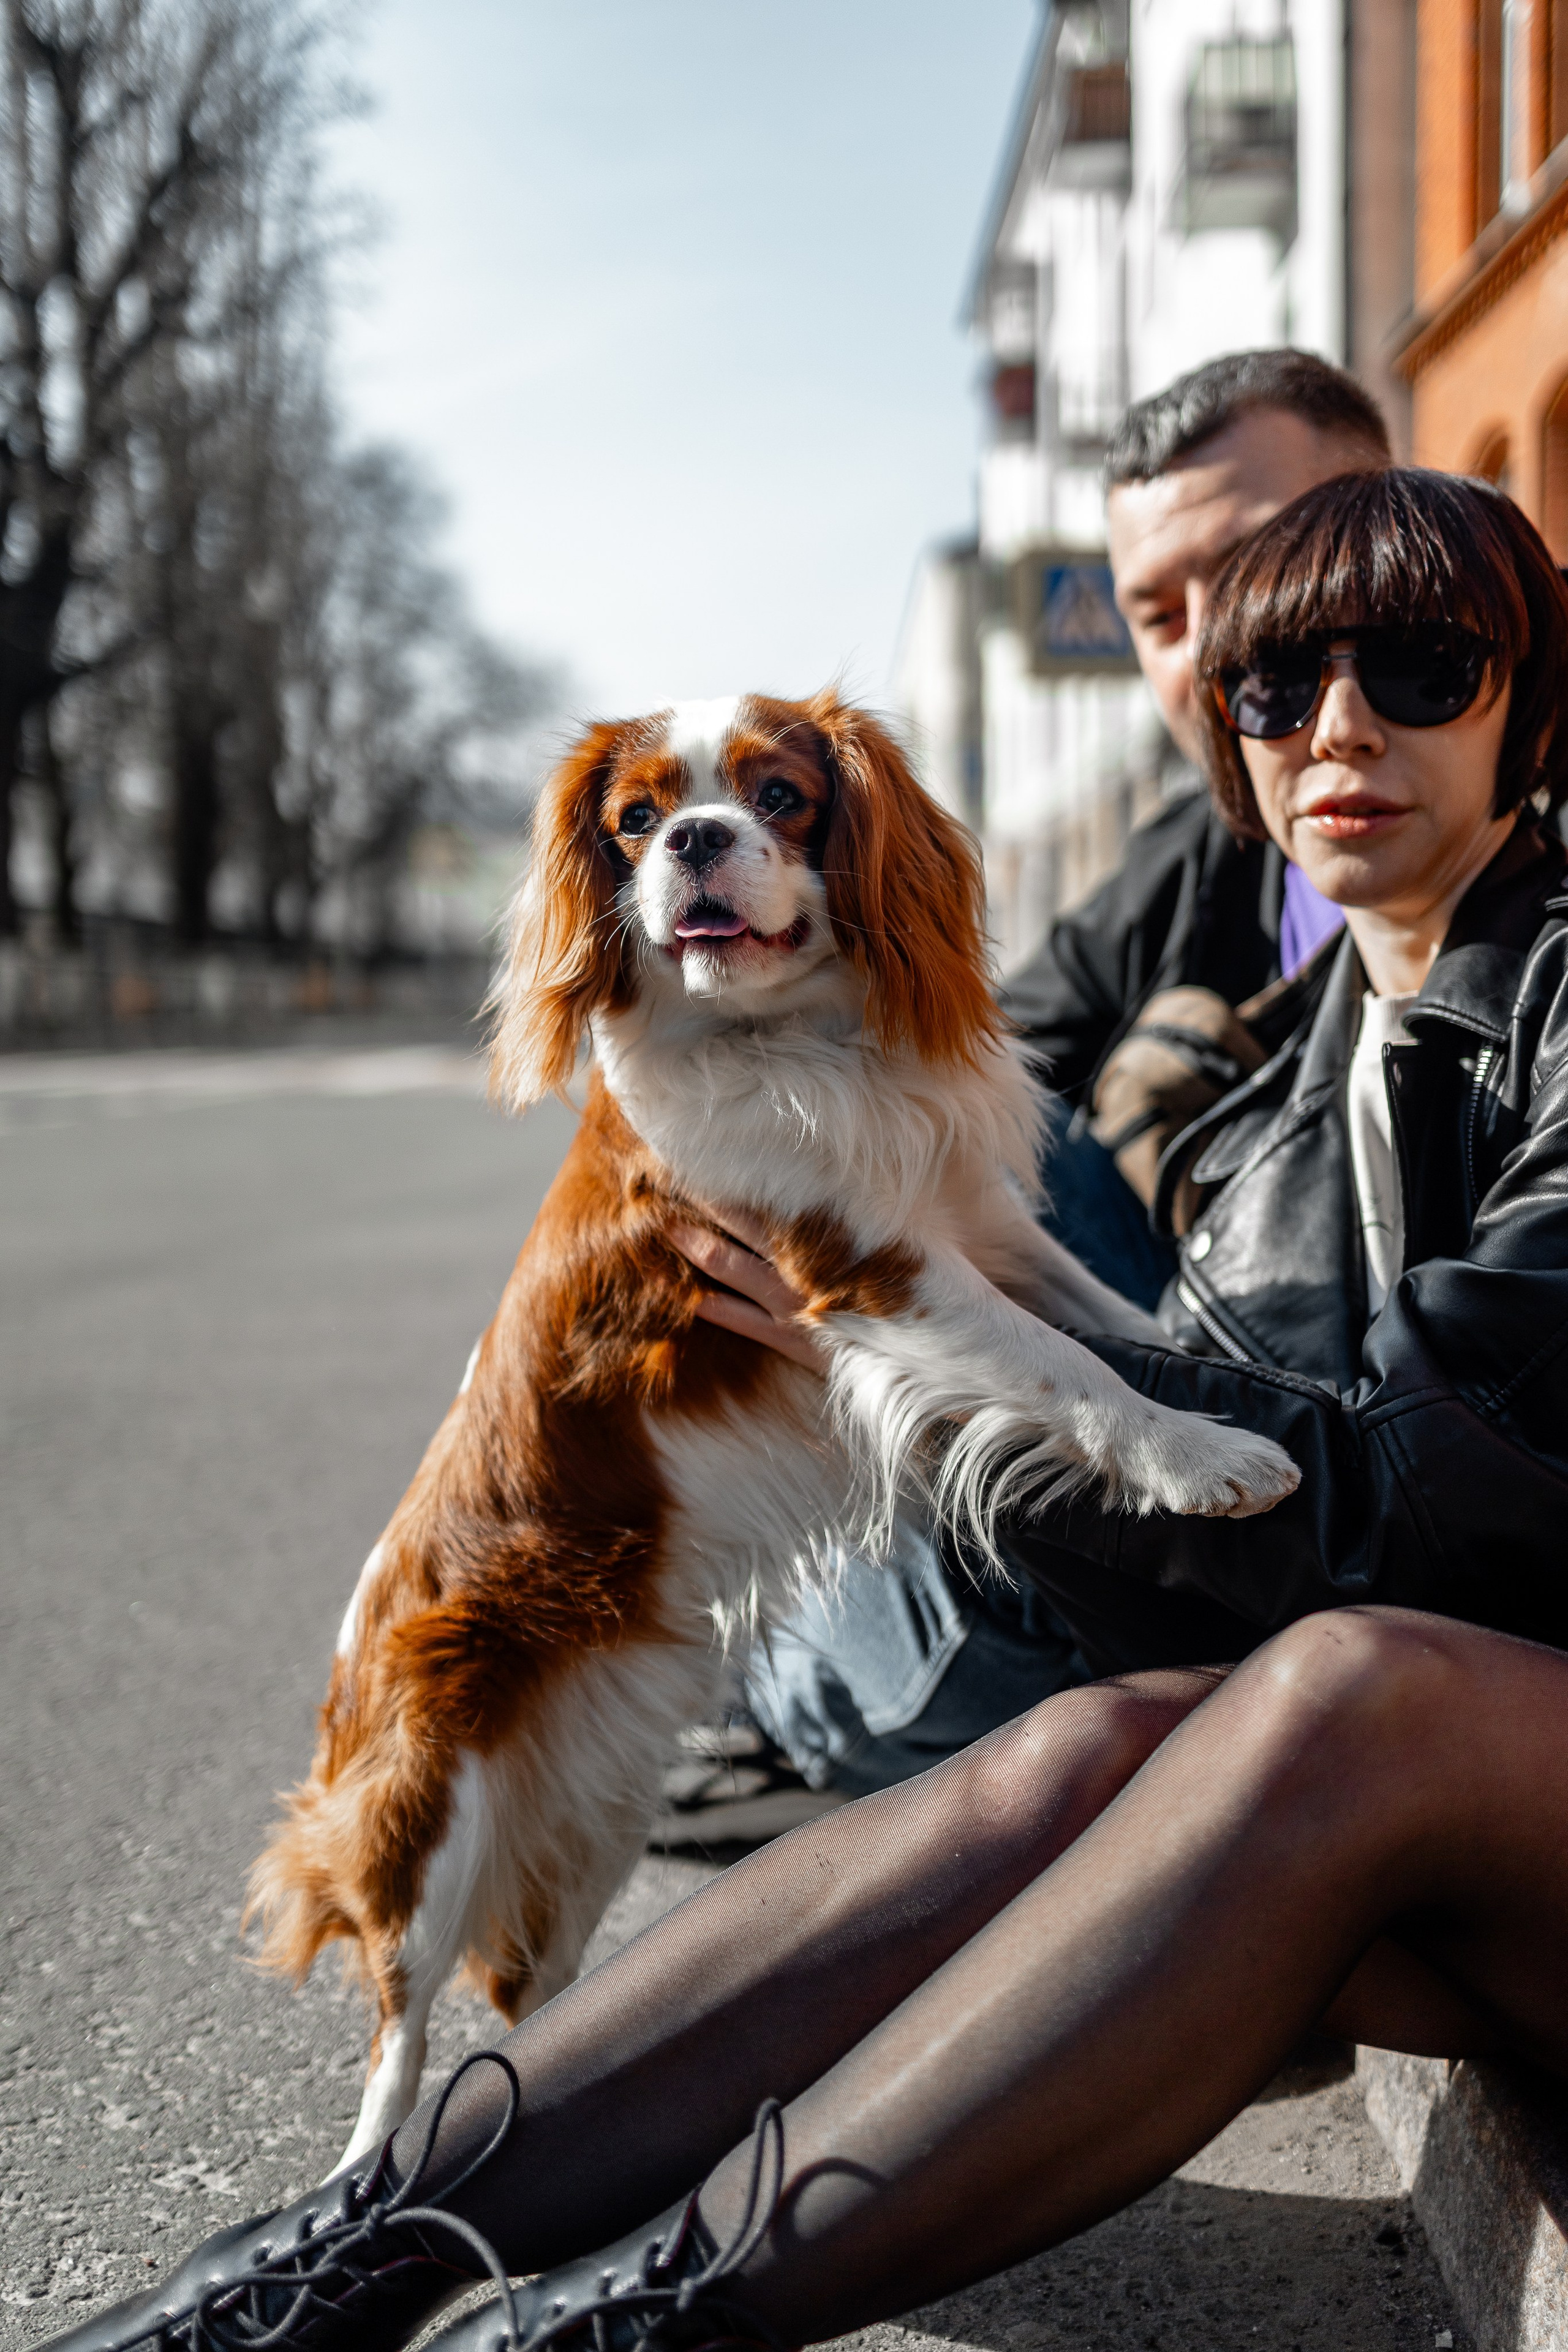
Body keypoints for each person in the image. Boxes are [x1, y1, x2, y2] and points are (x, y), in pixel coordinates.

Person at [52, 467, 1568, 2352]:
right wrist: (905, 1370)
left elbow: (1442, 1511)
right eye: (1276, 688)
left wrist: (889, 1365)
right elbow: (1226, 1539)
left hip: (1492, 1727)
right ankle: (327, 2262)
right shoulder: (1285, 1085)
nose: (1338, 725)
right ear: (1233, 742)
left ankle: (614, 2332)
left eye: (1422, 668)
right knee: (1096, 1754)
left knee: (1345, 1696)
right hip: (1483, 1785)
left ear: (1535, 705)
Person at [693, 349, 1388, 1830]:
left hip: (1301, 1510)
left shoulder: (1471, 846)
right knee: (908, 1130)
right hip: (1142, 1497)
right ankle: (795, 1658)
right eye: (1155, 610)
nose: (1209, 641)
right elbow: (951, 1060)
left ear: (1390, 525)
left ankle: (796, 1685)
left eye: (1256, 561)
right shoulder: (1198, 848)